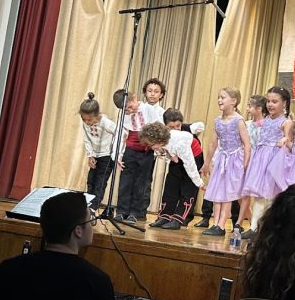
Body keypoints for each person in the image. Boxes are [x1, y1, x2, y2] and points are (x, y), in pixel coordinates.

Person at [241, 86, 293, 238]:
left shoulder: (286, 122)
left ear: (284, 103)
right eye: (268, 101)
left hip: (274, 160)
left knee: (272, 196)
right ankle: (254, 227)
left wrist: (285, 139)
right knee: (259, 194)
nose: (270, 104)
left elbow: (290, 141)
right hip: (261, 158)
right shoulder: (265, 120)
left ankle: (269, 229)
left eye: (274, 101)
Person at [113, 78, 166, 220]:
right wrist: (116, 155)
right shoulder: (124, 115)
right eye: (126, 110)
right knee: (125, 182)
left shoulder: (149, 109)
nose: (130, 111)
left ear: (135, 98)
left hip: (145, 151)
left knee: (141, 183)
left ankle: (135, 212)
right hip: (130, 151)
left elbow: (159, 129)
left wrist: (159, 148)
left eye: (131, 107)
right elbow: (119, 133)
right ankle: (121, 210)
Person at [201, 88, 251, 236]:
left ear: (234, 101)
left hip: (235, 160)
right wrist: (206, 163)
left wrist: (245, 164)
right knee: (217, 190)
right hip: (222, 158)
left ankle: (222, 225)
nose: (219, 100)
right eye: (219, 97)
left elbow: (247, 144)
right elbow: (213, 144)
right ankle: (215, 223)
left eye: (223, 97)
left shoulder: (238, 120)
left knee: (228, 193)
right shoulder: (217, 121)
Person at [139, 121, 204, 229]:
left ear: (159, 140)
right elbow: (168, 154)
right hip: (178, 157)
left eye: (151, 145)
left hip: (193, 158)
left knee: (187, 189)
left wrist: (199, 182)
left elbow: (190, 165)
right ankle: (165, 216)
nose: (150, 148)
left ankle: (178, 220)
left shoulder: (179, 144)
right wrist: (169, 155)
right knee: (171, 185)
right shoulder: (162, 143)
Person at [232, 95, 267, 232]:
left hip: (257, 160)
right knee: (239, 193)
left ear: (259, 109)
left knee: (247, 193)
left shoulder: (266, 125)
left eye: (250, 106)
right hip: (244, 158)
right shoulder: (247, 124)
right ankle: (252, 220)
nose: (247, 109)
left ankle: (239, 223)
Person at [79, 92, 116, 210]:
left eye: (89, 119)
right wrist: (90, 155)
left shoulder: (106, 123)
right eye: (84, 119)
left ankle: (93, 208)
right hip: (95, 155)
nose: (87, 122)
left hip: (107, 156)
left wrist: (115, 152)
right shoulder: (86, 124)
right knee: (91, 181)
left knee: (100, 183)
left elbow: (122, 134)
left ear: (97, 115)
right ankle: (87, 205)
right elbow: (87, 139)